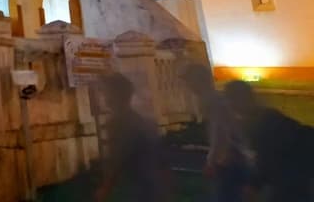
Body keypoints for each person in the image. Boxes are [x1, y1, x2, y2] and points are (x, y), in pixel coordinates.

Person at [223, 80, 314, 202]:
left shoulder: (258, 122)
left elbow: (266, 158)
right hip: (297, 174)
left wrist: (254, 185)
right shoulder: (268, 115)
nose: (228, 105)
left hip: (289, 177)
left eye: (229, 100)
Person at [94, 72, 170, 202]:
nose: (102, 96)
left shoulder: (119, 123)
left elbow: (117, 158)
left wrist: (106, 188)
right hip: (152, 184)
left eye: (105, 92)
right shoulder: (140, 120)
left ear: (113, 96)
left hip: (136, 187)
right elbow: (161, 158)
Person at [181, 64, 248, 202]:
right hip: (233, 158)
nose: (188, 86)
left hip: (229, 160)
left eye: (189, 81)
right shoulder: (214, 99)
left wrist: (211, 161)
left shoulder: (212, 101)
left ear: (198, 81)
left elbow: (219, 133)